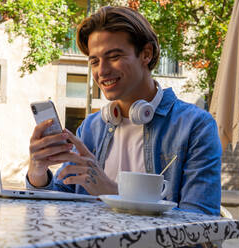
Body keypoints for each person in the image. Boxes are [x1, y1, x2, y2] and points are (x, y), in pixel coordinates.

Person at [26, 6, 222, 216]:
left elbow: (201, 225)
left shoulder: (195, 126)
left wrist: (113, 194)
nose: (102, 71)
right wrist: (38, 173)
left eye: (114, 56)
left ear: (146, 54)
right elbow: (61, 199)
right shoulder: (92, 127)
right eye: (94, 61)